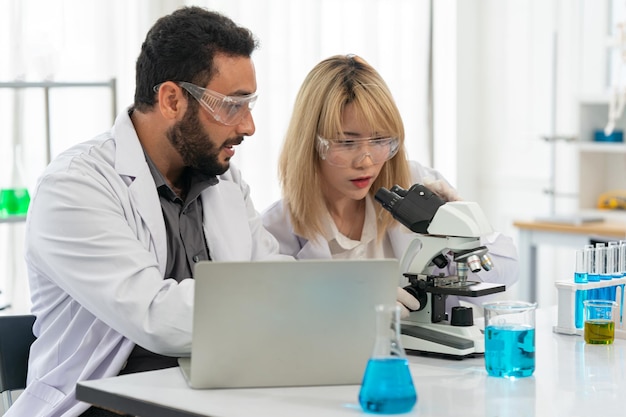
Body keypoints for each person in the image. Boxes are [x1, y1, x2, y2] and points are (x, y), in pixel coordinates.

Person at [8, 7, 291, 417]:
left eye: (249, 104)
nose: (248, 126)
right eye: (232, 105)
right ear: (172, 99)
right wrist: (283, 302)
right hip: (102, 407)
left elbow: (272, 275)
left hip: (213, 396)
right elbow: (158, 318)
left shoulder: (224, 180)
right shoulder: (74, 186)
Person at [262, 54, 519, 318]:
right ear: (311, 143)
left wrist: (465, 232)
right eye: (347, 143)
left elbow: (507, 269)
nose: (366, 161)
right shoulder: (275, 230)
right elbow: (274, 318)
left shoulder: (414, 182)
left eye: (379, 140)